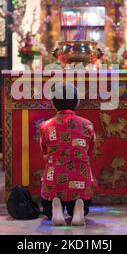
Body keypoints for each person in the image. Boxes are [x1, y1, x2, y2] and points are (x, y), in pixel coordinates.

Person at [38, 83, 96, 226]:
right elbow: (90, 153)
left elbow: (45, 154)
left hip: (54, 184)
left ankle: (55, 208)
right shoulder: (87, 125)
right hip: (81, 185)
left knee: (47, 210)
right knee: (83, 203)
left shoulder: (45, 126)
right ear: (77, 102)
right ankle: (79, 207)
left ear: (53, 103)